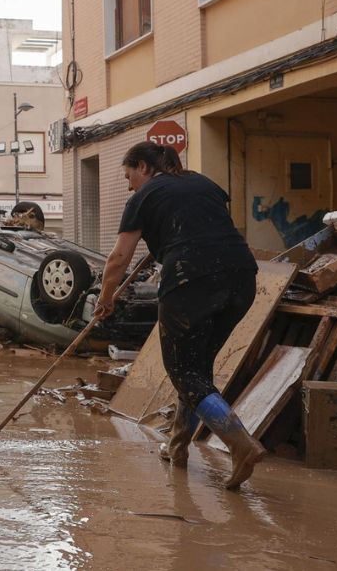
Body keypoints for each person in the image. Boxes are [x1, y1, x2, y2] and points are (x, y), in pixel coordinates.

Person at [93, 141, 263, 490]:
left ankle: (240, 444)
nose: (129, 186)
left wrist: (105, 298)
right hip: (242, 278)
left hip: (190, 280)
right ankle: (178, 445)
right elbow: (206, 227)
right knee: (197, 369)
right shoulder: (203, 183)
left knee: (183, 371)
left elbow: (118, 258)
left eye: (129, 176)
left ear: (142, 166)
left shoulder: (143, 196)